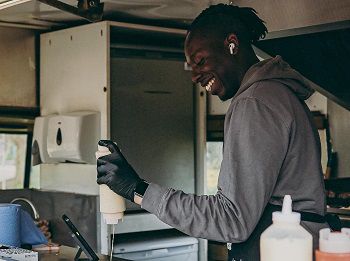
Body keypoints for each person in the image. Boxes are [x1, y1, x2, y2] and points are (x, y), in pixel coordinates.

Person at [97, 4, 329, 260]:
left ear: (232, 44)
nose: (195, 76)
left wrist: (137, 189)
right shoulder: (278, 95)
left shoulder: (254, 103)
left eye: (200, 61)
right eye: (191, 67)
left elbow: (232, 219)